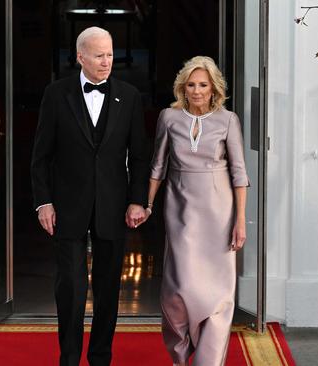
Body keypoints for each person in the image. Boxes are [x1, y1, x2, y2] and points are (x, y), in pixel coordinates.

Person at [30, 26, 150, 366]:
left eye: (110, 54)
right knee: (70, 289)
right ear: (80, 56)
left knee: (108, 290)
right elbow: (41, 156)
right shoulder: (56, 94)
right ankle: (68, 359)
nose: (107, 61)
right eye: (99, 55)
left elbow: (140, 155)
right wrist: (44, 201)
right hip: (67, 207)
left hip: (113, 207)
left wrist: (138, 200)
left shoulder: (129, 96)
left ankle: (100, 359)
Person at [145, 56, 249, 366]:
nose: (197, 90)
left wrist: (240, 220)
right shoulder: (168, 117)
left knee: (218, 294)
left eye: (203, 84)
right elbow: (158, 167)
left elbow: (239, 174)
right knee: (179, 290)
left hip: (219, 212)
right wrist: (147, 204)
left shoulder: (228, 120)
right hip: (180, 210)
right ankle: (180, 352)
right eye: (191, 85)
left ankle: (208, 361)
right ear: (182, 88)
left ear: (214, 88)